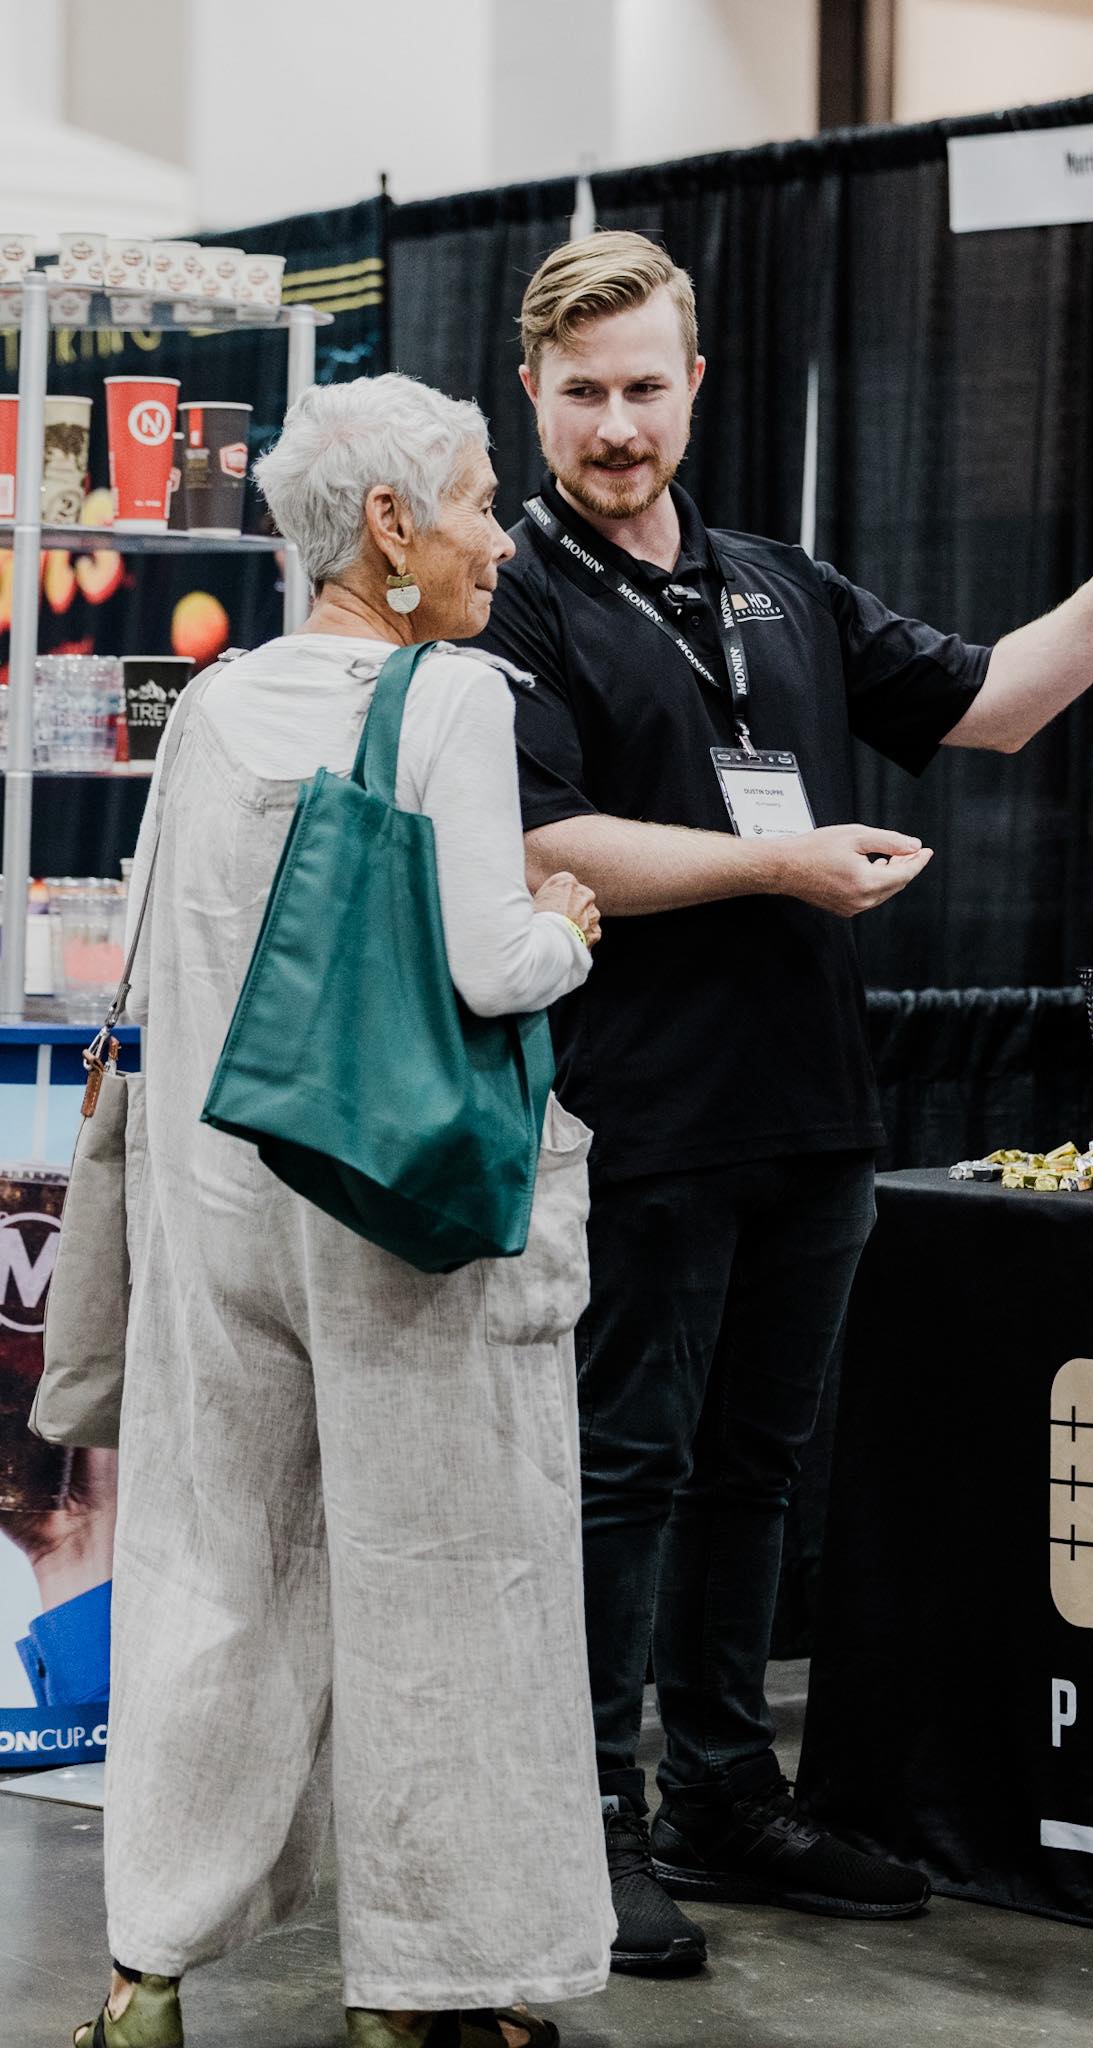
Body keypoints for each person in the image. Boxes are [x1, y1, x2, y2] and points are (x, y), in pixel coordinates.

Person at [472, 230, 1093, 1976]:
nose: (613, 426)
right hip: (630, 1111)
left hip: (809, 1110)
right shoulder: (509, 594)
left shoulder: (770, 580)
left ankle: (720, 1796)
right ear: (533, 394)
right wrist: (776, 861)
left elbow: (992, 705)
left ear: (694, 385)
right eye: (580, 395)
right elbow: (539, 837)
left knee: (754, 1469)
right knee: (619, 1475)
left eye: (643, 389)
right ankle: (578, 1825)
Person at [76, 373, 613, 2048]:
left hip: (219, 1209)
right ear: (387, 528)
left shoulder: (216, 711)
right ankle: (429, 1988)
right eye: (469, 505)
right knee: (453, 1578)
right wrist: (573, 922)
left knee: (211, 1569)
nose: (495, 545)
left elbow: (165, 973)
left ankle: (146, 1967)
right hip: (404, 1214)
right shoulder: (447, 696)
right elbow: (483, 961)